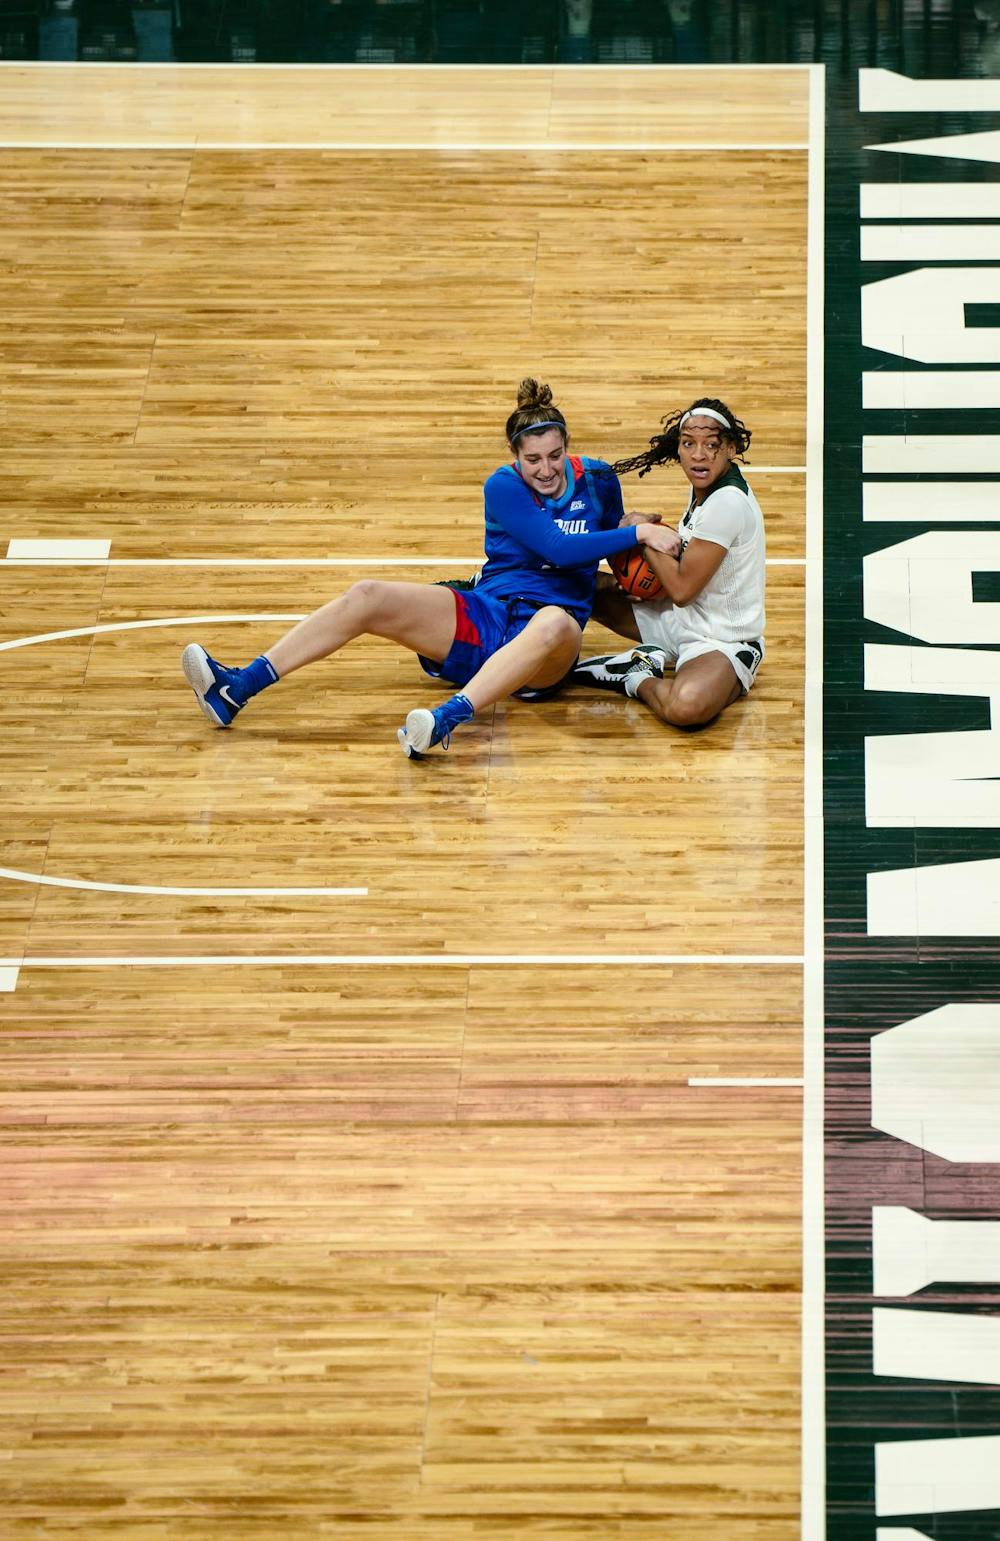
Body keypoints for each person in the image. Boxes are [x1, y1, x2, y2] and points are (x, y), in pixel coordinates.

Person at [181, 379, 678, 758]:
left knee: (552, 620)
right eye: (533, 460)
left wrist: (637, 547)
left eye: (554, 455)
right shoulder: (501, 486)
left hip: (551, 642)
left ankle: (445, 720)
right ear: (514, 458)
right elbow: (558, 546)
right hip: (491, 613)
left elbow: (601, 544)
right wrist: (637, 533)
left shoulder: (597, 479)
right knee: (368, 594)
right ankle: (236, 688)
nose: (545, 469)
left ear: (568, 446)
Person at [572, 397, 765, 728]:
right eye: (689, 444)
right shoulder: (704, 487)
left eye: (712, 445)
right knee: (574, 585)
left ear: (731, 448)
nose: (699, 455)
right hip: (681, 620)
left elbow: (682, 590)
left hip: (723, 641)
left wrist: (644, 537)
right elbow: (686, 559)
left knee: (685, 708)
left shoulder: (728, 504)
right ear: (678, 448)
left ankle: (635, 676)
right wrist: (647, 566)